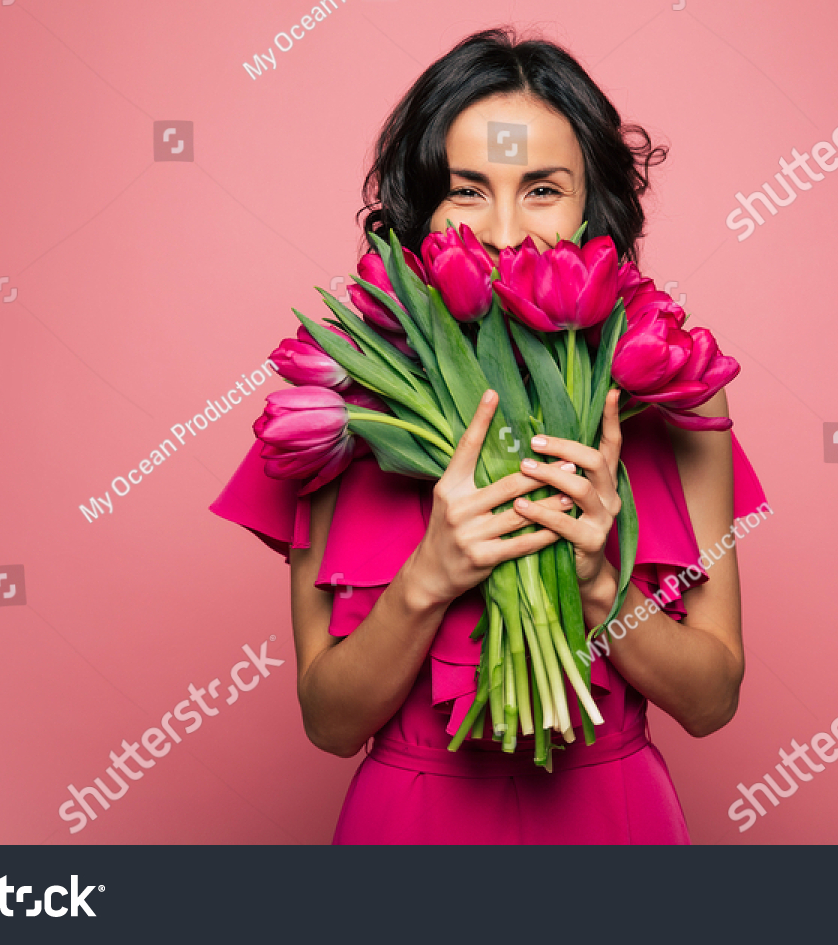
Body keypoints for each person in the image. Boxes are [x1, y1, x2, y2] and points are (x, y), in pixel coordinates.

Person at [211, 27, 767, 843]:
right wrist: (428, 577)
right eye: (467, 191)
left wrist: (600, 585)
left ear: (594, 209)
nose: (504, 233)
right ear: (418, 206)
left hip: (615, 822)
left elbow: (713, 700)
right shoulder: (339, 412)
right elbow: (329, 722)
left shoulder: (673, 394)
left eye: (542, 190)